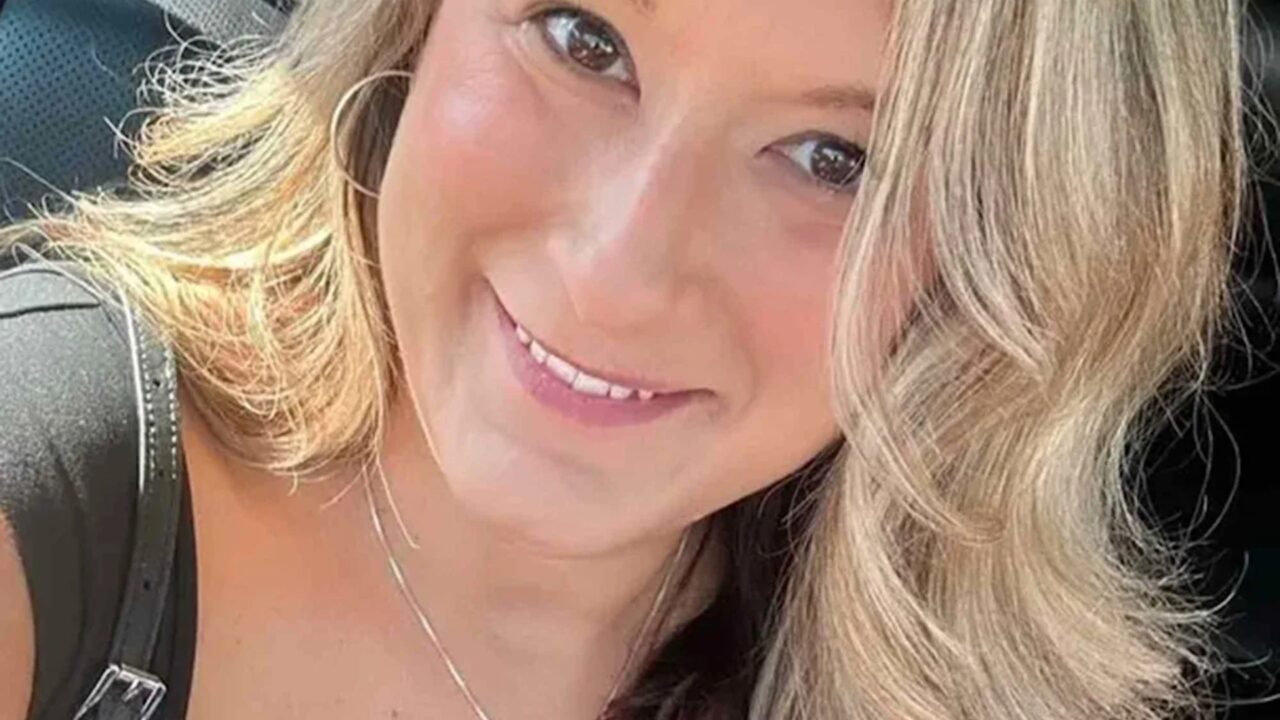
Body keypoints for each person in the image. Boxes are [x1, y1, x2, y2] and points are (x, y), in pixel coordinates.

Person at [0, 0, 1247, 718]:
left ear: (997, 274)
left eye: (835, 161)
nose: (616, 272)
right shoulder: (52, 474)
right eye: (580, 38)